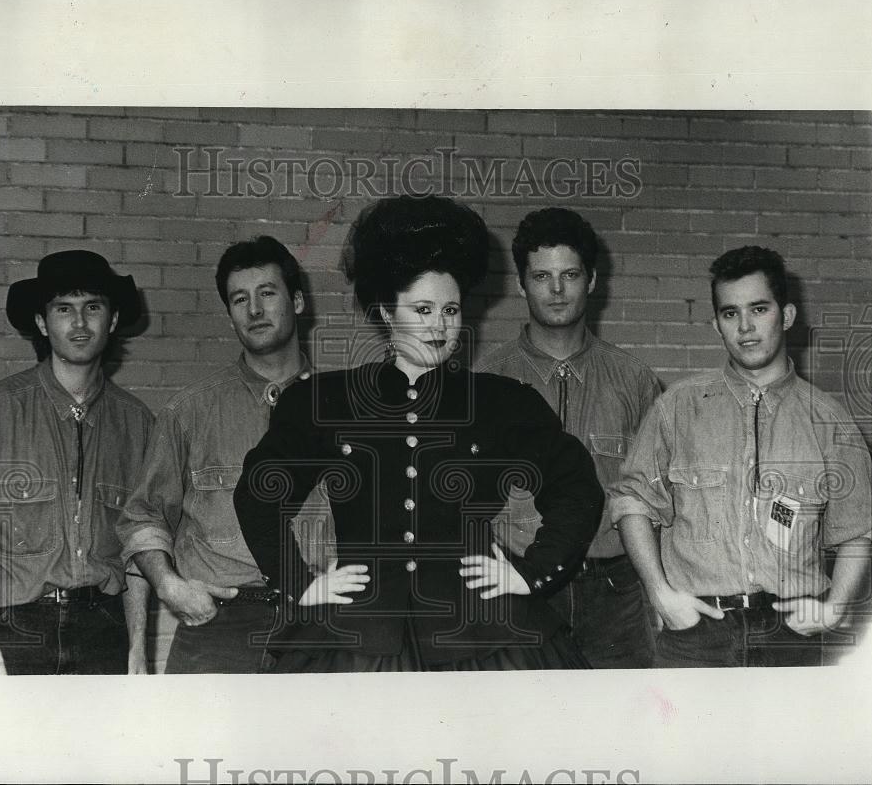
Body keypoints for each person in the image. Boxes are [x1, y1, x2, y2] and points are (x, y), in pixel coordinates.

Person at [234, 195, 604, 672]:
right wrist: (301, 582)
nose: (439, 326)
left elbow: (575, 484)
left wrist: (529, 574)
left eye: (450, 310)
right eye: (423, 309)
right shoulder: (326, 402)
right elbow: (258, 494)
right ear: (388, 313)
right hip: (357, 637)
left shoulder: (500, 403)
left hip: (484, 634)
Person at [612, 246, 872, 667]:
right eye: (730, 313)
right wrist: (660, 594)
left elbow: (857, 529)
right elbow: (631, 502)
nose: (746, 328)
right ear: (716, 324)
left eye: (759, 309)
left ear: (786, 316)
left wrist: (835, 606)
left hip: (791, 634)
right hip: (696, 634)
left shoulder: (829, 419)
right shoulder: (677, 407)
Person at [0, 250, 153, 675]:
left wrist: (137, 648)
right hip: (15, 627)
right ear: (41, 323)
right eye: (63, 309)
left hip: (104, 628)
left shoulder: (138, 423)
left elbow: (141, 541)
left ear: (114, 319)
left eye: (93, 307)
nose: (80, 323)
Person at [117, 236, 327, 673]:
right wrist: (170, 586)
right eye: (239, 299)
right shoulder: (189, 412)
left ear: (299, 301)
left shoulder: (343, 409)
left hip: (324, 622)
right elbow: (142, 516)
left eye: (267, 293)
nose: (254, 310)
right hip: (220, 630)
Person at [477, 207, 661, 668]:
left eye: (570, 275)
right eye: (541, 276)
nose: (557, 290)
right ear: (521, 284)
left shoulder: (634, 380)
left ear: (592, 280)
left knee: (618, 726)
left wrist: (660, 588)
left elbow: (656, 496)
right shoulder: (486, 380)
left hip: (616, 593)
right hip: (514, 581)